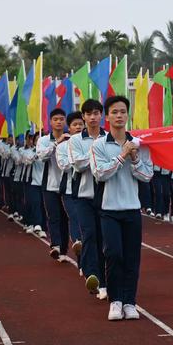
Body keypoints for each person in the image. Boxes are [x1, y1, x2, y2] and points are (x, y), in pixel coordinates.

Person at [90, 96, 153, 321]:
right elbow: (100, 174)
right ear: (107, 116)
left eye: (123, 112)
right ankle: (115, 301)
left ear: (128, 115)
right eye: (114, 112)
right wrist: (122, 156)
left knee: (132, 258)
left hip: (132, 209)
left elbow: (147, 176)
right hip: (109, 209)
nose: (119, 115)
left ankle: (129, 301)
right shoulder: (98, 145)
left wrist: (134, 157)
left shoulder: (139, 144)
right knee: (114, 254)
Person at [68, 99, 107, 298]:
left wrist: (94, 156)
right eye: (88, 114)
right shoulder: (75, 140)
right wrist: (97, 155)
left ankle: (103, 278)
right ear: (83, 117)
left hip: (106, 196)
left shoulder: (108, 137)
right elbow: (78, 164)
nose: (93, 117)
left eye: (96, 113)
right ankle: (94, 276)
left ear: (102, 115)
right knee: (90, 235)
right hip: (83, 196)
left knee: (104, 238)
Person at [36, 108, 70, 260]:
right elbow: (42, 156)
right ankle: (55, 244)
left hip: (67, 185)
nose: (59, 122)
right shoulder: (43, 140)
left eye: (61, 119)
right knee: (53, 215)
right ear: (50, 122)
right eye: (55, 119)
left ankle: (63, 249)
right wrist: (57, 143)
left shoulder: (71, 139)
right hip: (49, 184)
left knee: (65, 218)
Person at [56, 111, 84, 260]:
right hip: (68, 189)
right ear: (69, 127)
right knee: (74, 217)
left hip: (87, 189)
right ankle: (77, 243)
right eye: (75, 124)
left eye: (80, 124)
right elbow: (64, 166)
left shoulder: (90, 142)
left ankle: (85, 259)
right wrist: (79, 160)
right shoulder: (62, 147)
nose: (78, 127)